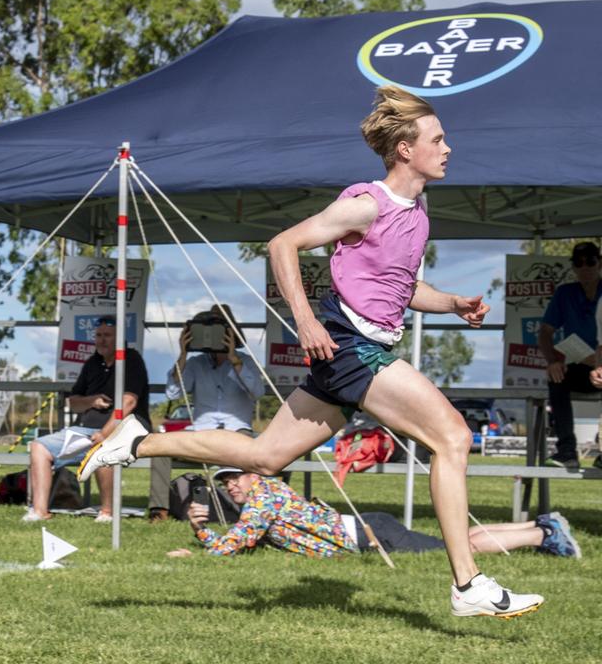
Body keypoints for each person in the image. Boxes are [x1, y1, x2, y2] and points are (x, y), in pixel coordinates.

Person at [78, 85, 545, 618]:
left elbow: (402, 287)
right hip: (352, 348)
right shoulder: (365, 203)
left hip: (351, 351)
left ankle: (138, 443)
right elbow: (282, 244)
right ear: (405, 150)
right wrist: (303, 321)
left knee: (265, 456)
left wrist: (453, 303)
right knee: (454, 437)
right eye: (438, 139)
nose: (448, 148)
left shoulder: (417, 211)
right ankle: (468, 584)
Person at [167, 468, 580, 563]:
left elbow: (235, 543)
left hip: (368, 536)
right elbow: (248, 536)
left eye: (235, 478)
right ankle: (538, 525)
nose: (230, 487)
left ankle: (542, 537)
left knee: (459, 548)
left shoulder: (262, 499)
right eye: (225, 483)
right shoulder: (268, 493)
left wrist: (200, 539)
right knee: (457, 538)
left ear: (254, 473)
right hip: (369, 525)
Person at [23, 316, 149, 523]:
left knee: (103, 448)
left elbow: (128, 403)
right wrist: (92, 401)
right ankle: (39, 511)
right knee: (39, 446)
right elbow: (73, 402)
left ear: (119, 339)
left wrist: (104, 433)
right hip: (86, 431)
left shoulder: (132, 359)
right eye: (98, 336)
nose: (102, 340)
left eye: (107, 336)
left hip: (125, 429)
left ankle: (107, 512)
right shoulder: (92, 363)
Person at [150, 307, 264, 521]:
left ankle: (247, 510)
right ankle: (159, 509)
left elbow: (257, 392)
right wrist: (183, 354)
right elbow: (172, 392)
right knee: (160, 447)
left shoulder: (246, 362)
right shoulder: (195, 363)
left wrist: (234, 359)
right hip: (200, 432)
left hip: (236, 433)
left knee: (253, 454)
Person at [539, 241, 601, 468]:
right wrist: (553, 361)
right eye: (579, 263)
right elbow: (545, 332)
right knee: (556, 377)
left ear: (600, 263)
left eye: (590, 262)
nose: (585, 267)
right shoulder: (565, 293)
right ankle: (567, 451)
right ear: (573, 267)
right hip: (581, 365)